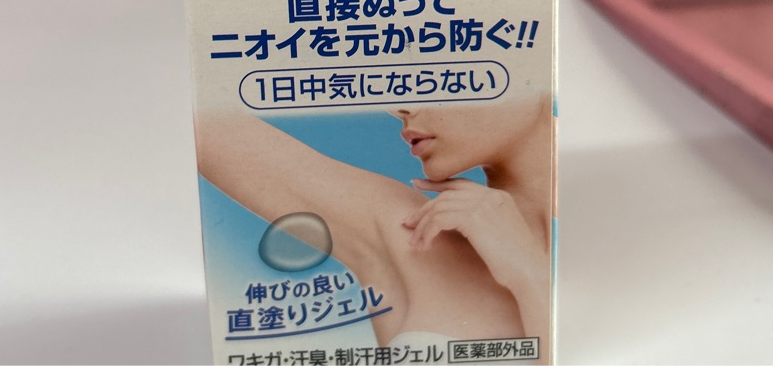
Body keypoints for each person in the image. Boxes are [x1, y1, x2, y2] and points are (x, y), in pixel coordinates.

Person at [197, 93, 552, 360]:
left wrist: (531, 277)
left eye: (440, 73)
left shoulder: (591, 227)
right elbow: (202, 119)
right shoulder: (412, 233)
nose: (400, 106)